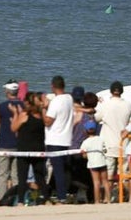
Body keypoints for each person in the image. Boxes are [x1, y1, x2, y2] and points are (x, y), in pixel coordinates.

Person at [95, 81, 131, 192]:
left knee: (109, 175)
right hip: (123, 144)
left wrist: (99, 105)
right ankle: (128, 196)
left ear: (111, 91)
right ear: (122, 91)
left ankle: (108, 197)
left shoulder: (106, 105)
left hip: (109, 143)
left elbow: (97, 118)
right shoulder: (128, 105)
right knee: (124, 175)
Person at [43, 75, 74, 203]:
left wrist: (43, 108)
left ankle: (61, 196)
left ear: (52, 86)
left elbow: (48, 121)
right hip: (66, 139)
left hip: (54, 139)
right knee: (63, 169)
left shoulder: (56, 101)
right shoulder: (69, 98)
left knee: (58, 170)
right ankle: (60, 193)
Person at [11, 97, 45, 206]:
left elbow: (13, 128)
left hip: (24, 149)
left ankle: (21, 201)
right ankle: (44, 198)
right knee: (40, 176)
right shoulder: (42, 116)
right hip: (38, 148)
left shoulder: (25, 115)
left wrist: (15, 114)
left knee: (23, 177)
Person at [0, 82, 22, 205]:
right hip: (18, 144)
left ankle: (2, 200)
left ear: (7, 92)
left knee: (2, 176)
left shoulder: (2, 107)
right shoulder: (23, 106)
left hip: (4, 144)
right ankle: (16, 199)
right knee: (16, 176)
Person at [80, 119, 108, 204]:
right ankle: (108, 199)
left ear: (86, 131)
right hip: (102, 161)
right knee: (105, 181)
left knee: (96, 182)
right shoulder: (101, 139)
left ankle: (97, 200)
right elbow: (105, 150)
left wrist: (87, 155)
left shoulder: (85, 142)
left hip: (93, 163)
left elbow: (84, 155)